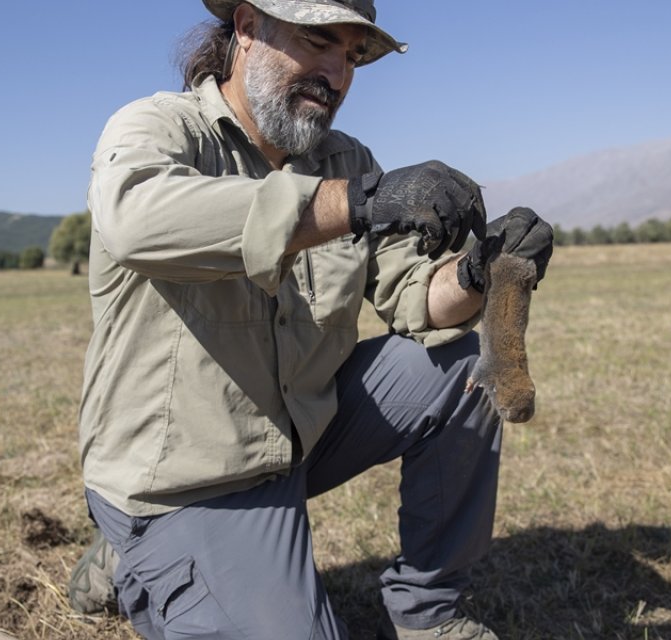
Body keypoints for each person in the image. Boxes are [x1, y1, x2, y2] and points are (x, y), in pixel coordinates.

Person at [69, 1, 554, 638]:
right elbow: (137, 221)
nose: (337, 74)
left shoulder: (347, 161)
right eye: (316, 41)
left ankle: (429, 617)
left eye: (351, 56)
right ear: (246, 29)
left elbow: (414, 296)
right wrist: (358, 203)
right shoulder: (157, 129)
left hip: (296, 437)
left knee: (460, 369)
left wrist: (476, 274)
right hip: (183, 480)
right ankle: (142, 557)